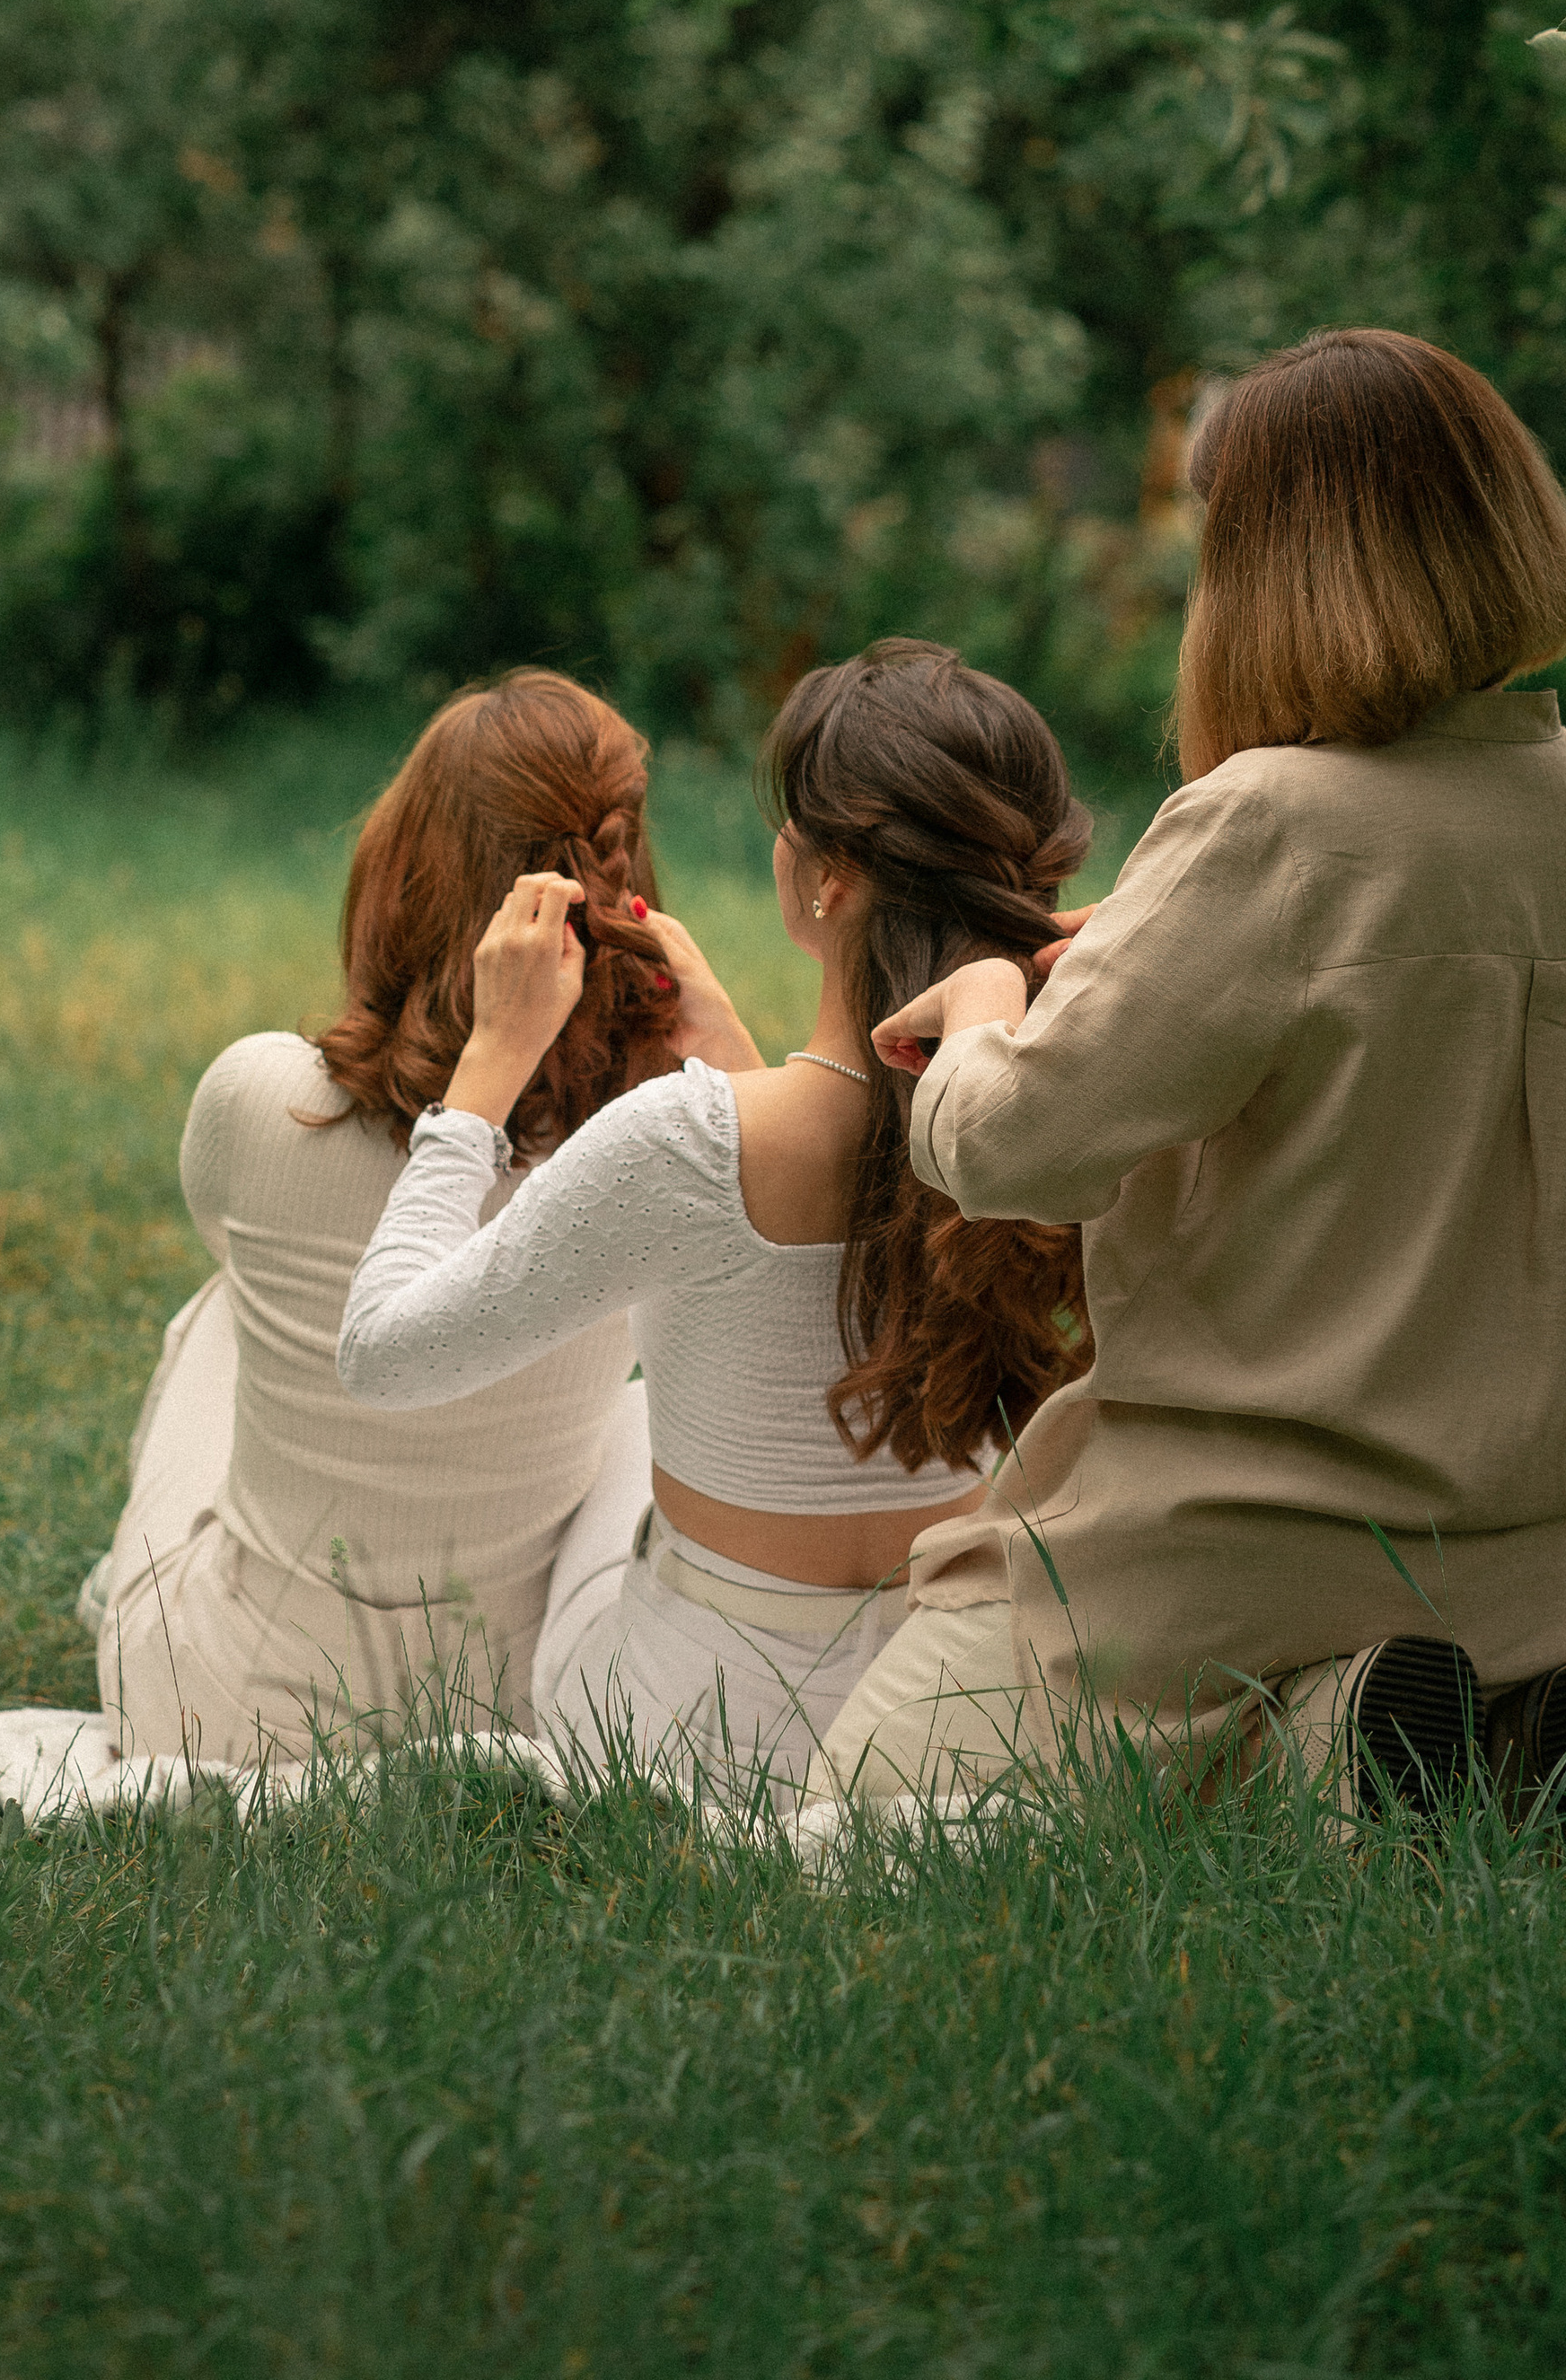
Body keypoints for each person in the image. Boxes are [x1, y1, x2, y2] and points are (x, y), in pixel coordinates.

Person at [814, 329, 1566, 1831]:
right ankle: (1420, 1728)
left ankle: (1336, 1729)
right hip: (1563, 1535)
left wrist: (974, 1012)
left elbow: (1013, 1146)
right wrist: (1152, 952)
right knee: (1322, 1753)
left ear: (1271, 567)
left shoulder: (1269, 822)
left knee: (871, 1800)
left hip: (1262, 1528)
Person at [337, 640, 1092, 1799]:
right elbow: (863, 1181)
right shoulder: (1076, 1114)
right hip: (966, 1706)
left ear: (828, 878)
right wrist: (738, 1051)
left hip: (706, 1739)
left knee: (617, 1430)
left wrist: (487, 1070)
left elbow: (384, 1355)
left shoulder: (687, 1146)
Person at [89, 669, 755, 1768]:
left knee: (224, 1308)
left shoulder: (263, 1097)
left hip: (210, 1709)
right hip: (500, 1698)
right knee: (643, 1393)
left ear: (399, 872)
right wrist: (738, 1070)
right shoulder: (655, 1147)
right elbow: (799, 1278)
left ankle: (140, 1584)